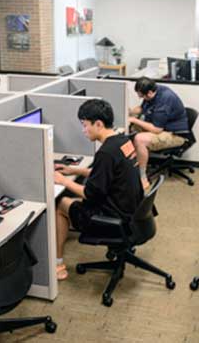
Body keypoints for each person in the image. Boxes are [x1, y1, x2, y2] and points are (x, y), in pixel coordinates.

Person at [53, 99, 143, 280]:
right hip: (133, 211)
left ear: (99, 124)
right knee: (72, 196)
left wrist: (63, 181)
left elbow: (90, 194)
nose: (83, 130)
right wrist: (74, 171)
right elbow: (108, 173)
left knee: (60, 204)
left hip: (115, 219)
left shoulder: (105, 152)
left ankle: (58, 264)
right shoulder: (122, 140)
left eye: (85, 125)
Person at [129, 77, 189, 188]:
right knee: (132, 129)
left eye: (142, 96)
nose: (141, 98)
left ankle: (142, 177)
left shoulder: (165, 99)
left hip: (175, 134)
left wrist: (134, 119)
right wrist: (129, 112)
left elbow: (157, 129)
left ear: (150, 93)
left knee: (139, 139)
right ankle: (133, 165)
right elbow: (142, 109)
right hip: (165, 128)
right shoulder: (155, 90)